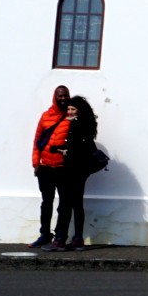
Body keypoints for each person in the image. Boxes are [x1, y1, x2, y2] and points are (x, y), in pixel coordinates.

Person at [50, 95, 100, 251]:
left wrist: (62, 151)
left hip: (73, 170)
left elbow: (76, 149)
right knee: (77, 204)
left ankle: (60, 239)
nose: (70, 111)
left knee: (66, 204)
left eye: (73, 109)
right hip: (79, 171)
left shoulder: (75, 125)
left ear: (79, 111)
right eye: (69, 109)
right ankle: (77, 238)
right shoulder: (86, 125)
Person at [29, 85, 70, 249]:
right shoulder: (45, 117)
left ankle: (60, 236)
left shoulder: (71, 117)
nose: (63, 98)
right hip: (45, 167)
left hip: (63, 168)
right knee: (46, 203)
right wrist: (35, 163)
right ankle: (45, 234)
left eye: (65, 95)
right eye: (60, 95)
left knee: (65, 204)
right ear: (55, 97)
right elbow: (37, 141)